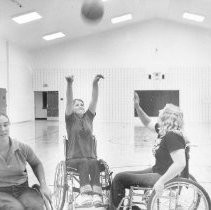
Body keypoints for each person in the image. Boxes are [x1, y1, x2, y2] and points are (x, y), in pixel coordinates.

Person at [111, 92, 188, 209]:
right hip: (157, 170)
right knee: (121, 176)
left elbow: (180, 163)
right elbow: (147, 122)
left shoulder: (172, 136)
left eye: (163, 109)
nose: (160, 110)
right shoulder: (164, 131)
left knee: (119, 179)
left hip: (162, 175)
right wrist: (137, 106)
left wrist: (161, 181)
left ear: (167, 116)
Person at [65, 74, 104, 207]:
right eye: (77, 105)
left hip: (89, 157)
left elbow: (94, 99)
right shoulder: (70, 119)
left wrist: (95, 83)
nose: (81, 106)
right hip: (74, 159)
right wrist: (70, 84)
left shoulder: (88, 117)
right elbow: (69, 99)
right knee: (84, 162)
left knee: (94, 162)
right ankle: (84, 194)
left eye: (82, 104)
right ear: (72, 108)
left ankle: (97, 195)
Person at [0, 113, 52, 210]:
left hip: (22, 189)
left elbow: (37, 164)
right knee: (16, 208)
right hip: (1, 192)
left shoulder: (22, 148)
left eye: (5, 125)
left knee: (36, 206)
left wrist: (43, 185)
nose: (3, 129)